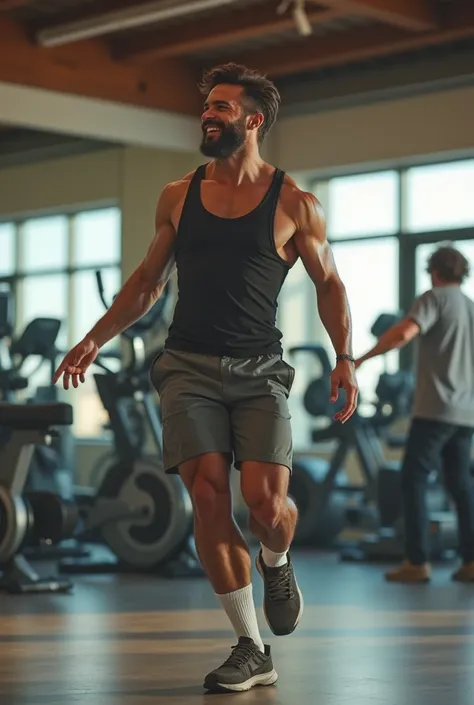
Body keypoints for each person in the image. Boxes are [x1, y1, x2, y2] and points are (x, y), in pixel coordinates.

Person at [53, 63, 358, 692]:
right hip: (185, 366)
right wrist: (92, 339)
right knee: (211, 497)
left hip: (260, 370)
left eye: (220, 107)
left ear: (252, 120)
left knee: (267, 507)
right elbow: (146, 284)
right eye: (206, 107)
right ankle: (250, 644)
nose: (207, 115)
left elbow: (329, 285)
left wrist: (345, 356)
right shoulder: (178, 194)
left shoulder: (295, 203)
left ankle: (277, 558)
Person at [356, 245, 474, 584]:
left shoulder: (434, 298)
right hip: (466, 414)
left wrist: (362, 358)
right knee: (461, 486)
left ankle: (417, 561)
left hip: (435, 408)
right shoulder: (469, 306)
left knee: (413, 479)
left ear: (434, 272)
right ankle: (470, 561)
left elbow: (404, 334)